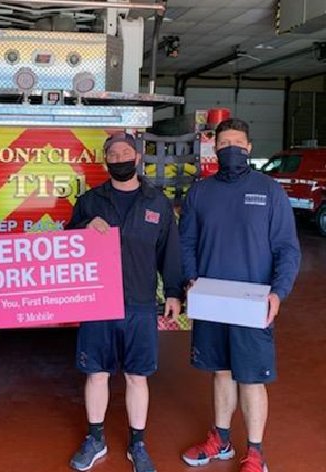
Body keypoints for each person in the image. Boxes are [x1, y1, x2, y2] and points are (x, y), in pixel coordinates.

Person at [179, 118, 301, 472]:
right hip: (213, 300)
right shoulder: (200, 192)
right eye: (224, 142)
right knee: (220, 372)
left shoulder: (270, 190)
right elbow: (186, 241)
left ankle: (256, 451)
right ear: (215, 149)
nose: (231, 147)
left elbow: (287, 249)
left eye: (238, 142)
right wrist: (190, 279)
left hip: (253, 302)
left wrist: (278, 293)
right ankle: (220, 440)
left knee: (251, 377)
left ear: (249, 148)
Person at [65, 132, 182, 472]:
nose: (119, 158)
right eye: (112, 154)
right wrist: (85, 227)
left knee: (136, 376)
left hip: (140, 303)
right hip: (96, 302)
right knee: (96, 374)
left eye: (125, 152)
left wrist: (173, 291)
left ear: (137, 157)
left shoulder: (157, 202)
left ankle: (138, 443)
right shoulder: (90, 201)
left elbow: (169, 252)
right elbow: (66, 242)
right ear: (106, 160)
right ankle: (96, 439)